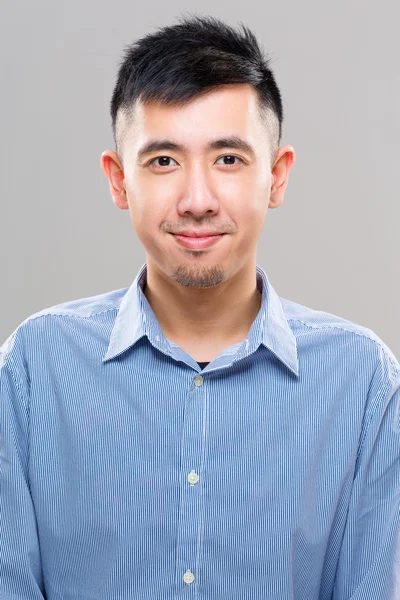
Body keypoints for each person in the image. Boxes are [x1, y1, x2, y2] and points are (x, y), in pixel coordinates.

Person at [1, 13, 399, 600]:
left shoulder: (363, 381)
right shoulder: (33, 367)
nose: (196, 200)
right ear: (118, 180)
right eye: (163, 160)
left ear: (276, 176)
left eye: (229, 159)